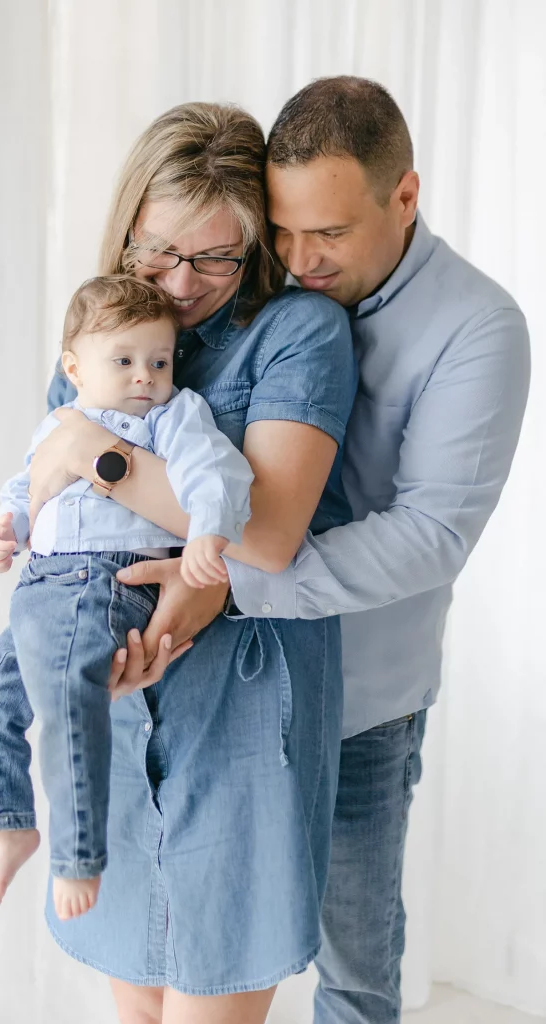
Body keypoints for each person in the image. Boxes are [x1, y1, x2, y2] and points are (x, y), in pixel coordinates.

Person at [0, 101, 357, 1024]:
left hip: (242, 699)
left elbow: (264, 535)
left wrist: (97, 455)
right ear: (128, 226)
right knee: (135, 991)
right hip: (119, 688)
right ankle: (11, 825)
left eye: (216, 257)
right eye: (159, 251)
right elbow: (46, 487)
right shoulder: (106, 324)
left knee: (209, 991)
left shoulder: (299, 332)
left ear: (253, 247)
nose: (181, 284)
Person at [195, 77, 527, 1023]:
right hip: (229, 678)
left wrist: (238, 580)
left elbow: (431, 535)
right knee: (202, 938)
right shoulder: (272, 276)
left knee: (352, 963)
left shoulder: (479, 328)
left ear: (405, 197)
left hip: (363, 704)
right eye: (284, 229)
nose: (298, 260)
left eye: (328, 235)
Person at [0, 274, 256, 922]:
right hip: (43, 584)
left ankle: (76, 853)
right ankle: (8, 822)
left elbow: (210, 472)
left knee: (71, 700)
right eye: (123, 361)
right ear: (74, 367)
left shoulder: (171, 416)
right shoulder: (61, 421)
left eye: (158, 360)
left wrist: (208, 531)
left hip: (102, 579)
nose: (144, 376)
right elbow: (28, 486)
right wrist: (3, 526)